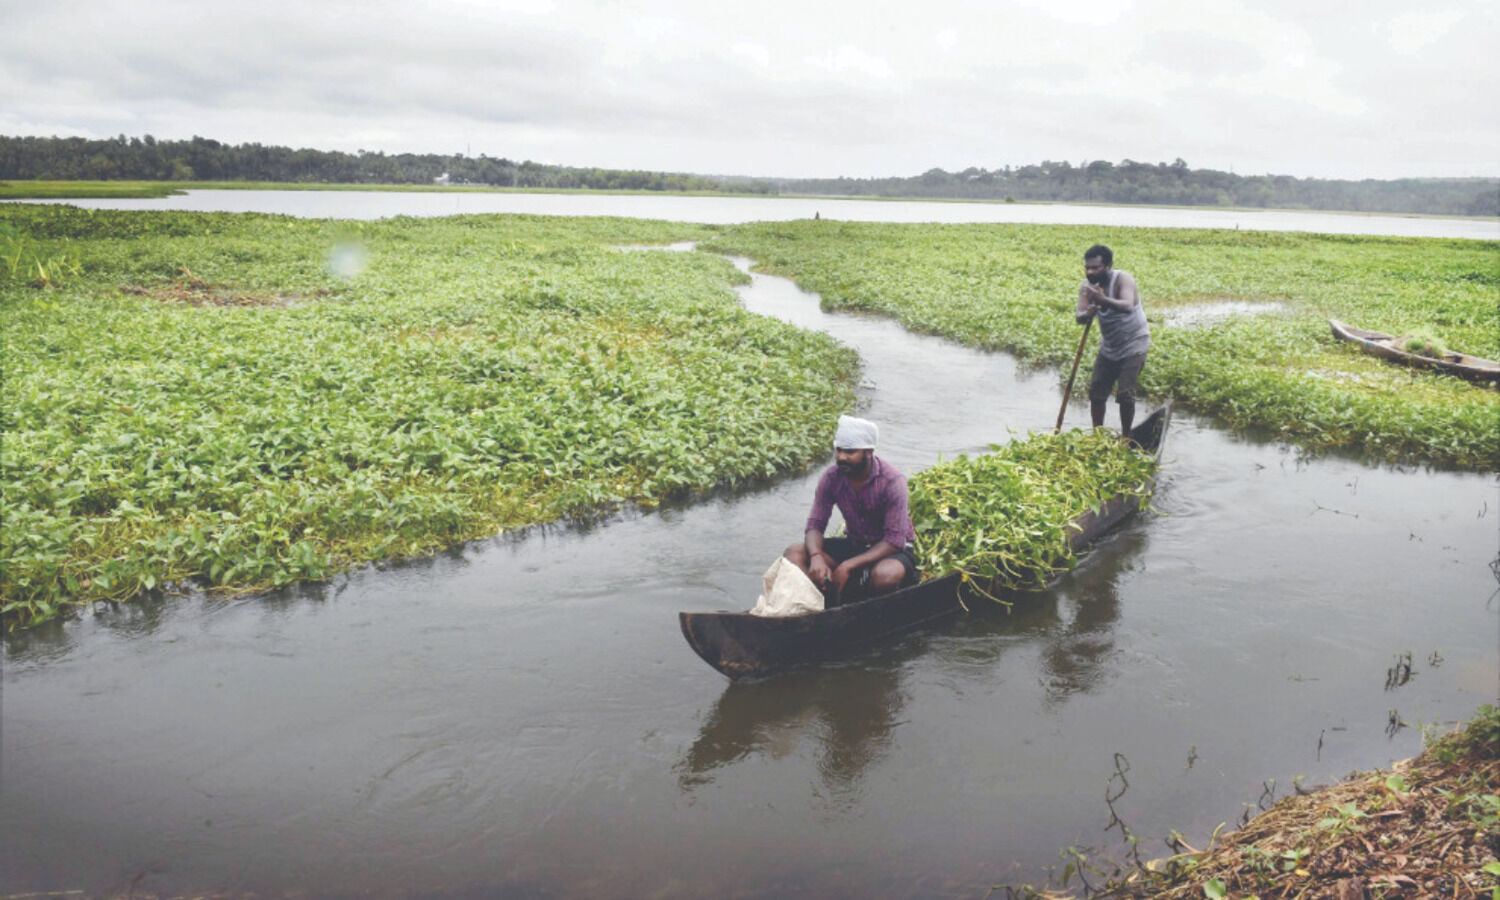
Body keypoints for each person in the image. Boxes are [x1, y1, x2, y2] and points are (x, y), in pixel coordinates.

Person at [783, 415, 919, 605]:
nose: (841, 457)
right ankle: (821, 601)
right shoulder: (831, 478)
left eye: (850, 452)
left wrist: (847, 565)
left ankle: (873, 611)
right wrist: (816, 557)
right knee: (794, 553)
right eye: (838, 450)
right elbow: (815, 525)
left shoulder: (892, 482)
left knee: (885, 576)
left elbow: (894, 541)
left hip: (890, 551)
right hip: (856, 544)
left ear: (869, 452)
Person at [1075, 244, 1150, 434]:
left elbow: (1127, 305)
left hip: (1134, 343)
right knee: (1096, 393)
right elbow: (1079, 317)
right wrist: (1088, 312)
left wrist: (1103, 300)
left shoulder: (1122, 279)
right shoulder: (1087, 287)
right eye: (1087, 268)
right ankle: (1097, 435)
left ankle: (1126, 437)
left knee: (1125, 395)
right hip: (1109, 346)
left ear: (1107, 266)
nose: (1090, 272)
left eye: (1095, 267)